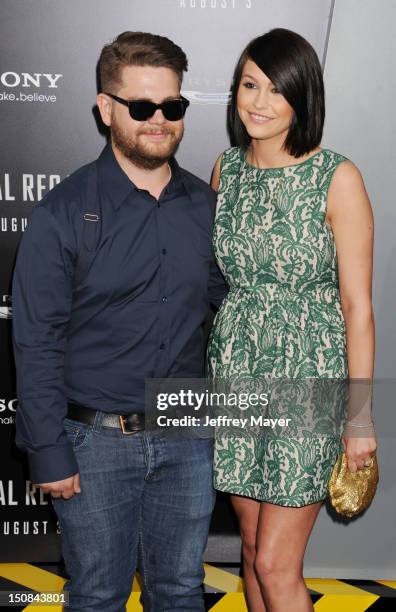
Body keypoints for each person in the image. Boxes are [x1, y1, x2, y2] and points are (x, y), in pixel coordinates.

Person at [12, 31, 227, 611]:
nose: (159, 120)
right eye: (141, 106)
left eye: (172, 106)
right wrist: (48, 450)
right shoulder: (63, 210)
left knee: (181, 591)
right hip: (93, 445)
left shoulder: (207, 209)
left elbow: (234, 308)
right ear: (106, 109)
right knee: (98, 595)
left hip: (188, 437)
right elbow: (36, 339)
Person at [206, 28, 377, 612]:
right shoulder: (224, 172)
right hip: (236, 372)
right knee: (251, 550)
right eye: (249, 85)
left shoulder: (337, 177)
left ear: (302, 100)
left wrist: (359, 417)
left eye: (277, 90)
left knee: (278, 564)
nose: (258, 102)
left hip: (308, 381)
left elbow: (358, 307)